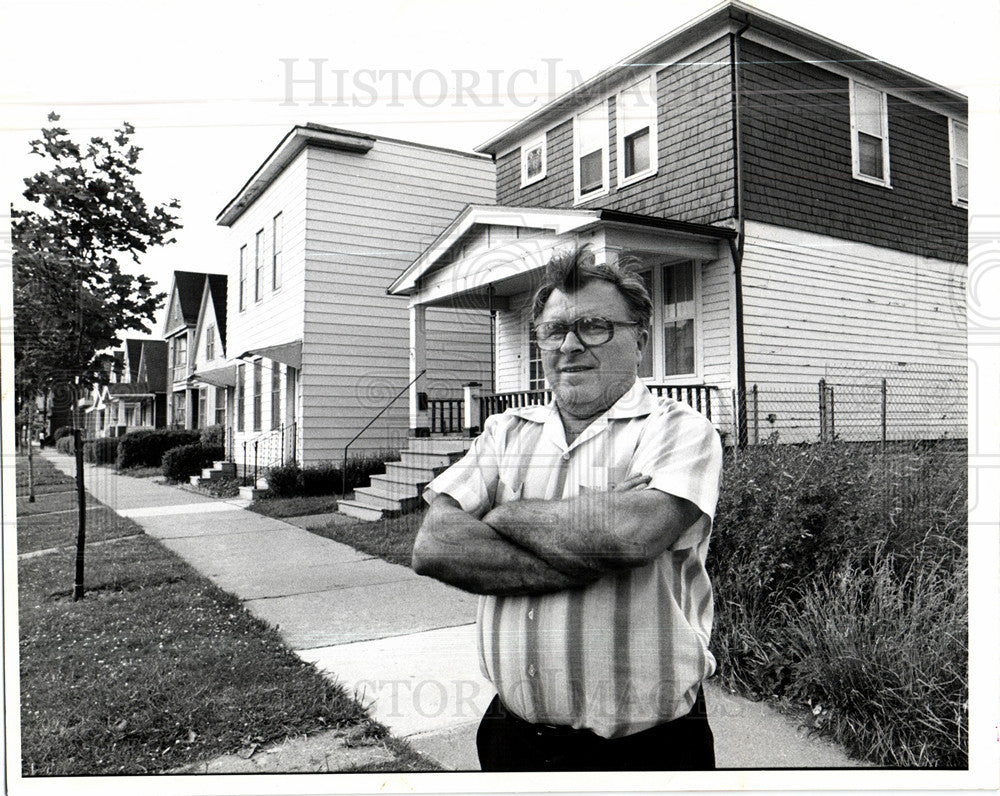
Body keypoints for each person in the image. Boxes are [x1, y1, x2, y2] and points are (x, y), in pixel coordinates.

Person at [411, 246, 723, 771]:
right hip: (513, 740)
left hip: (646, 750)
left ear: (640, 339)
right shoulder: (505, 431)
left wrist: (499, 517)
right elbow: (435, 546)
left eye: (595, 326)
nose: (570, 345)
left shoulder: (679, 429)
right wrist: (589, 545)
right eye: (554, 331)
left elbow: (631, 535)